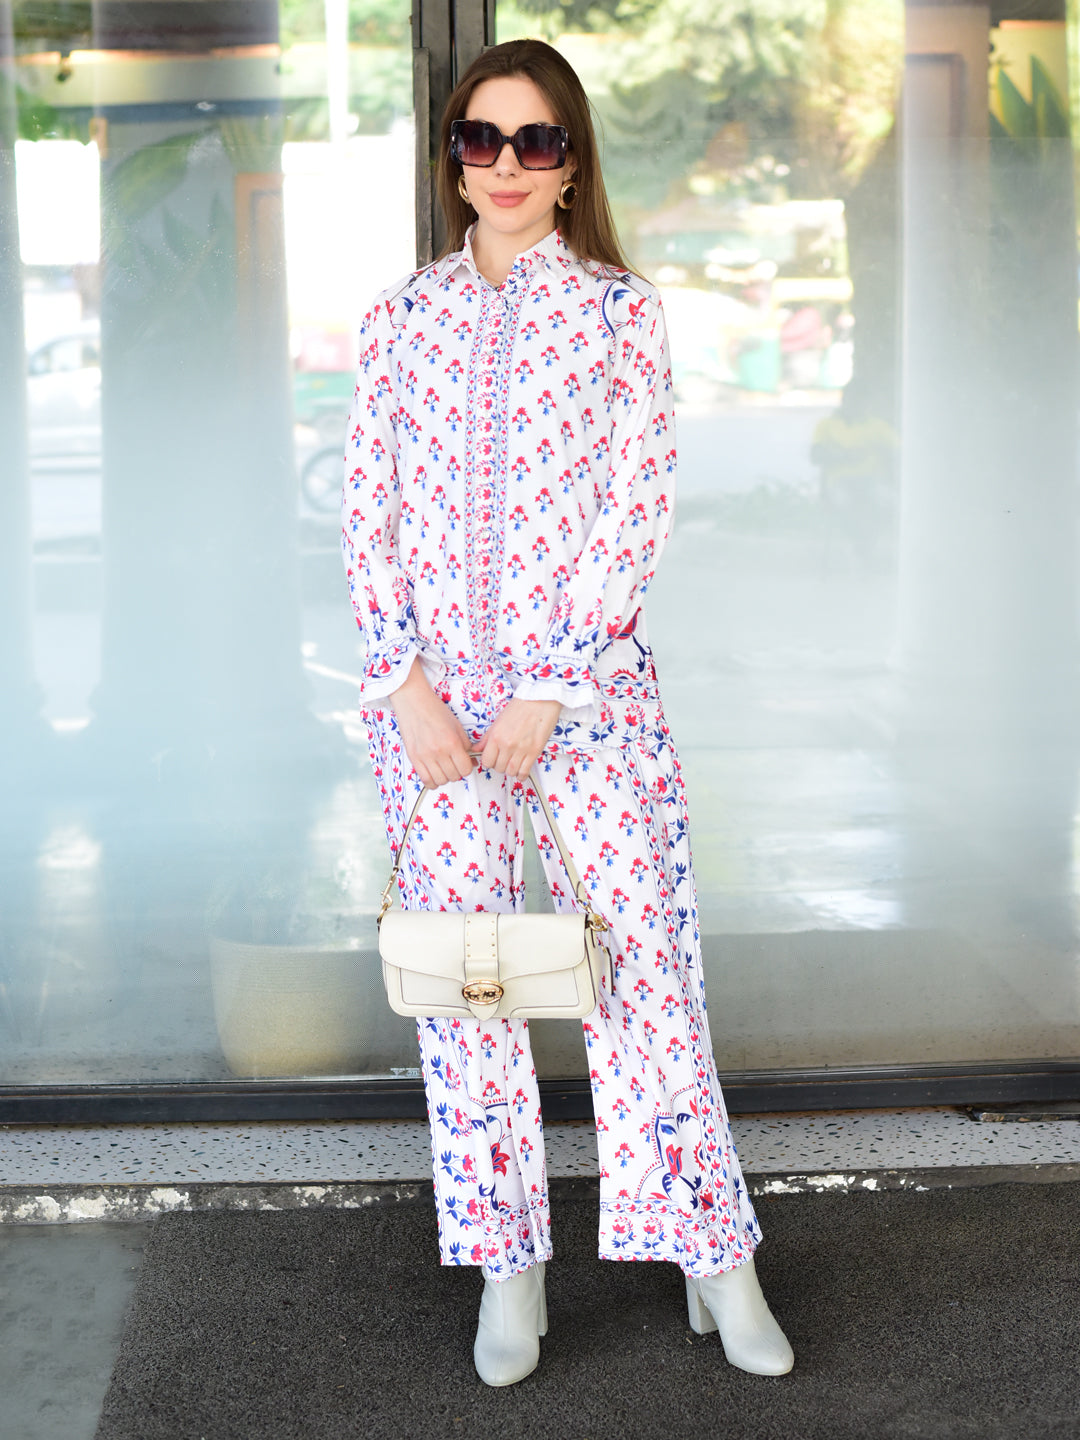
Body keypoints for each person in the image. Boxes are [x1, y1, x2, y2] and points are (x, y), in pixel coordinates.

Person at [341, 37, 794, 1388]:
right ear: (454, 160)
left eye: (534, 142)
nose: (506, 166)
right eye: (481, 140)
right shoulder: (399, 319)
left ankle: (715, 1255)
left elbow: (634, 510)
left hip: (586, 702)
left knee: (644, 974)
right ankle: (509, 1269)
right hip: (432, 716)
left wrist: (549, 683)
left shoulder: (618, 314)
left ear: (571, 164)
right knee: (470, 983)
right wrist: (405, 689)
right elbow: (367, 515)